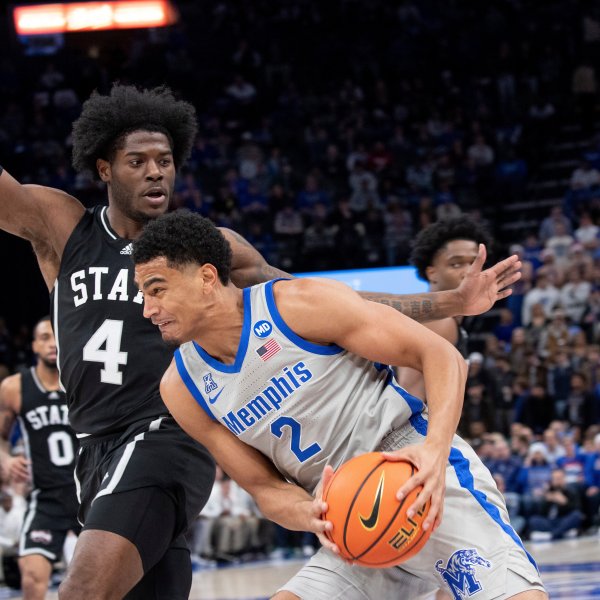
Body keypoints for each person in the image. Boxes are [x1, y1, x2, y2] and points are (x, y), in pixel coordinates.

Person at [0, 83, 522, 598]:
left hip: (165, 435)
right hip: (93, 447)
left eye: (165, 160)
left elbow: (332, 303)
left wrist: (449, 303)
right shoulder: (63, 227)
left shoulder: (211, 252)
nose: (156, 171)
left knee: (83, 589)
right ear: (104, 168)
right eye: (138, 161)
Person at [132, 210, 546, 600]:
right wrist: (312, 513)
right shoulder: (182, 386)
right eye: (144, 295)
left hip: (415, 470)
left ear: (206, 277)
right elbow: (265, 489)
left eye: (157, 290)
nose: (148, 309)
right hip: (349, 516)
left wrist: (436, 452)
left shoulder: (296, 305)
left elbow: (441, 355)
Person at [0, 317, 80, 599]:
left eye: (56, 336)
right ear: (34, 345)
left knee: (110, 581)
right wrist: (7, 460)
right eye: (45, 337)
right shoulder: (14, 387)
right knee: (32, 579)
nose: (53, 343)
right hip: (46, 498)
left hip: (90, 495)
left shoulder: (81, 380)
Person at [397, 216, 492, 400]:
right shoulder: (439, 322)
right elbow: (409, 399)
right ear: (432, 273)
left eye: (474, 263)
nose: (468, 272)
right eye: (456, 264)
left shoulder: (446, 320)